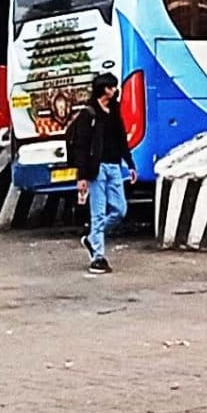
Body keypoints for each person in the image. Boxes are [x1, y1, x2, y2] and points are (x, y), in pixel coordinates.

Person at [67, 73, 138, 274]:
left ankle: (92, 238)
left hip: (114, 166)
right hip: (95, 170)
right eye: (111, 87)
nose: (115, 90)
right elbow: (81, 146)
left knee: (119, 210)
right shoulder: (88, 114)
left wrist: (130, 164)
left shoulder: (114, 111)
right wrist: (81, 176)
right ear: (103, 89)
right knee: (97, 214)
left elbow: (121, 139)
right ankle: (98, 257)